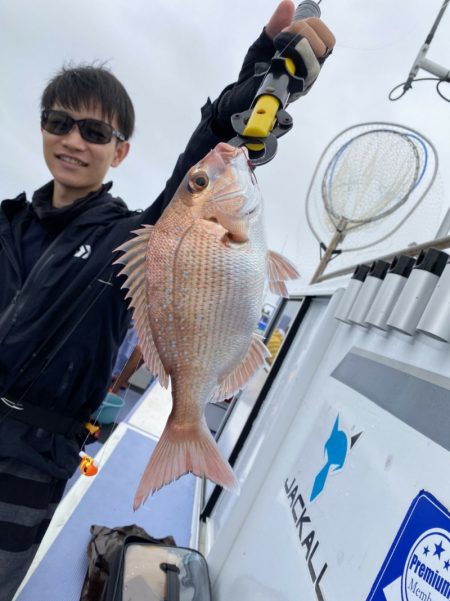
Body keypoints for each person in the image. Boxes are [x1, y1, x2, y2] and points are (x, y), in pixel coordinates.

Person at [0, 2, 335, 598]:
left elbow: (198, 167)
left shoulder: (131, 238)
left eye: (95, 131)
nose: (74, 140)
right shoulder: (5, 224)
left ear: (119, 150)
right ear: (43, 128)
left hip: (27, 471)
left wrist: (255, 82)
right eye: (59, 123)